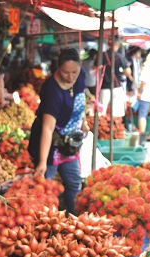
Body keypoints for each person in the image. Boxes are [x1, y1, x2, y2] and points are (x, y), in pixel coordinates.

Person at [28, 48, 88, 215]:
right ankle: (44, 224)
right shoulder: (52, 90)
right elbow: (48, 128)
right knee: (46, 188)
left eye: (74, 72)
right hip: (50, 144)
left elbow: (80, 101)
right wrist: (41, 161)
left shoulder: (80, 75)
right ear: (58, 68)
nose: (70, 77)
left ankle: (75, 220)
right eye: (65, 72)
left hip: (69, 143)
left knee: (74, 183)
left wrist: (83, 122)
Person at [99, 38, 133, 117]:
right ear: (117, 45)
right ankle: (115, 128)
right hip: (116, 86)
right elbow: (128, 72)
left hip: (104, 87)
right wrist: (121, 72)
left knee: (102, 112)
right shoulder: (119, 56)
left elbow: (95, 69)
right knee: (117, 113)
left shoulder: (102, 55)